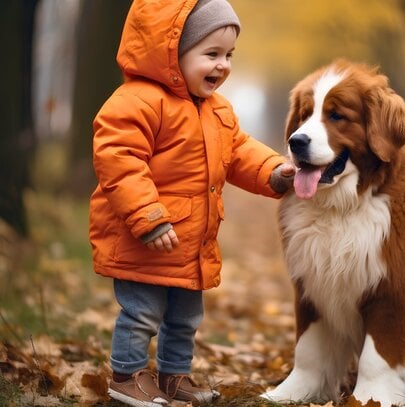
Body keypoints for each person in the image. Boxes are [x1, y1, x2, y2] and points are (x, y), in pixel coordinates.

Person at [88, 0, 294, 405]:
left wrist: (272, 170)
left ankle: (173, 377)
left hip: (191, 243)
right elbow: (119, 160)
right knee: (141, 314)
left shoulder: (218, 111)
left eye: (229, 55)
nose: (222, 66)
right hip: (145, 238)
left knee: (185, 319)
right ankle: (125, 377)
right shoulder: (138, 101)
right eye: (211, 54)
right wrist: (148, 216)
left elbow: (238, 152)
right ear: (171, 53)